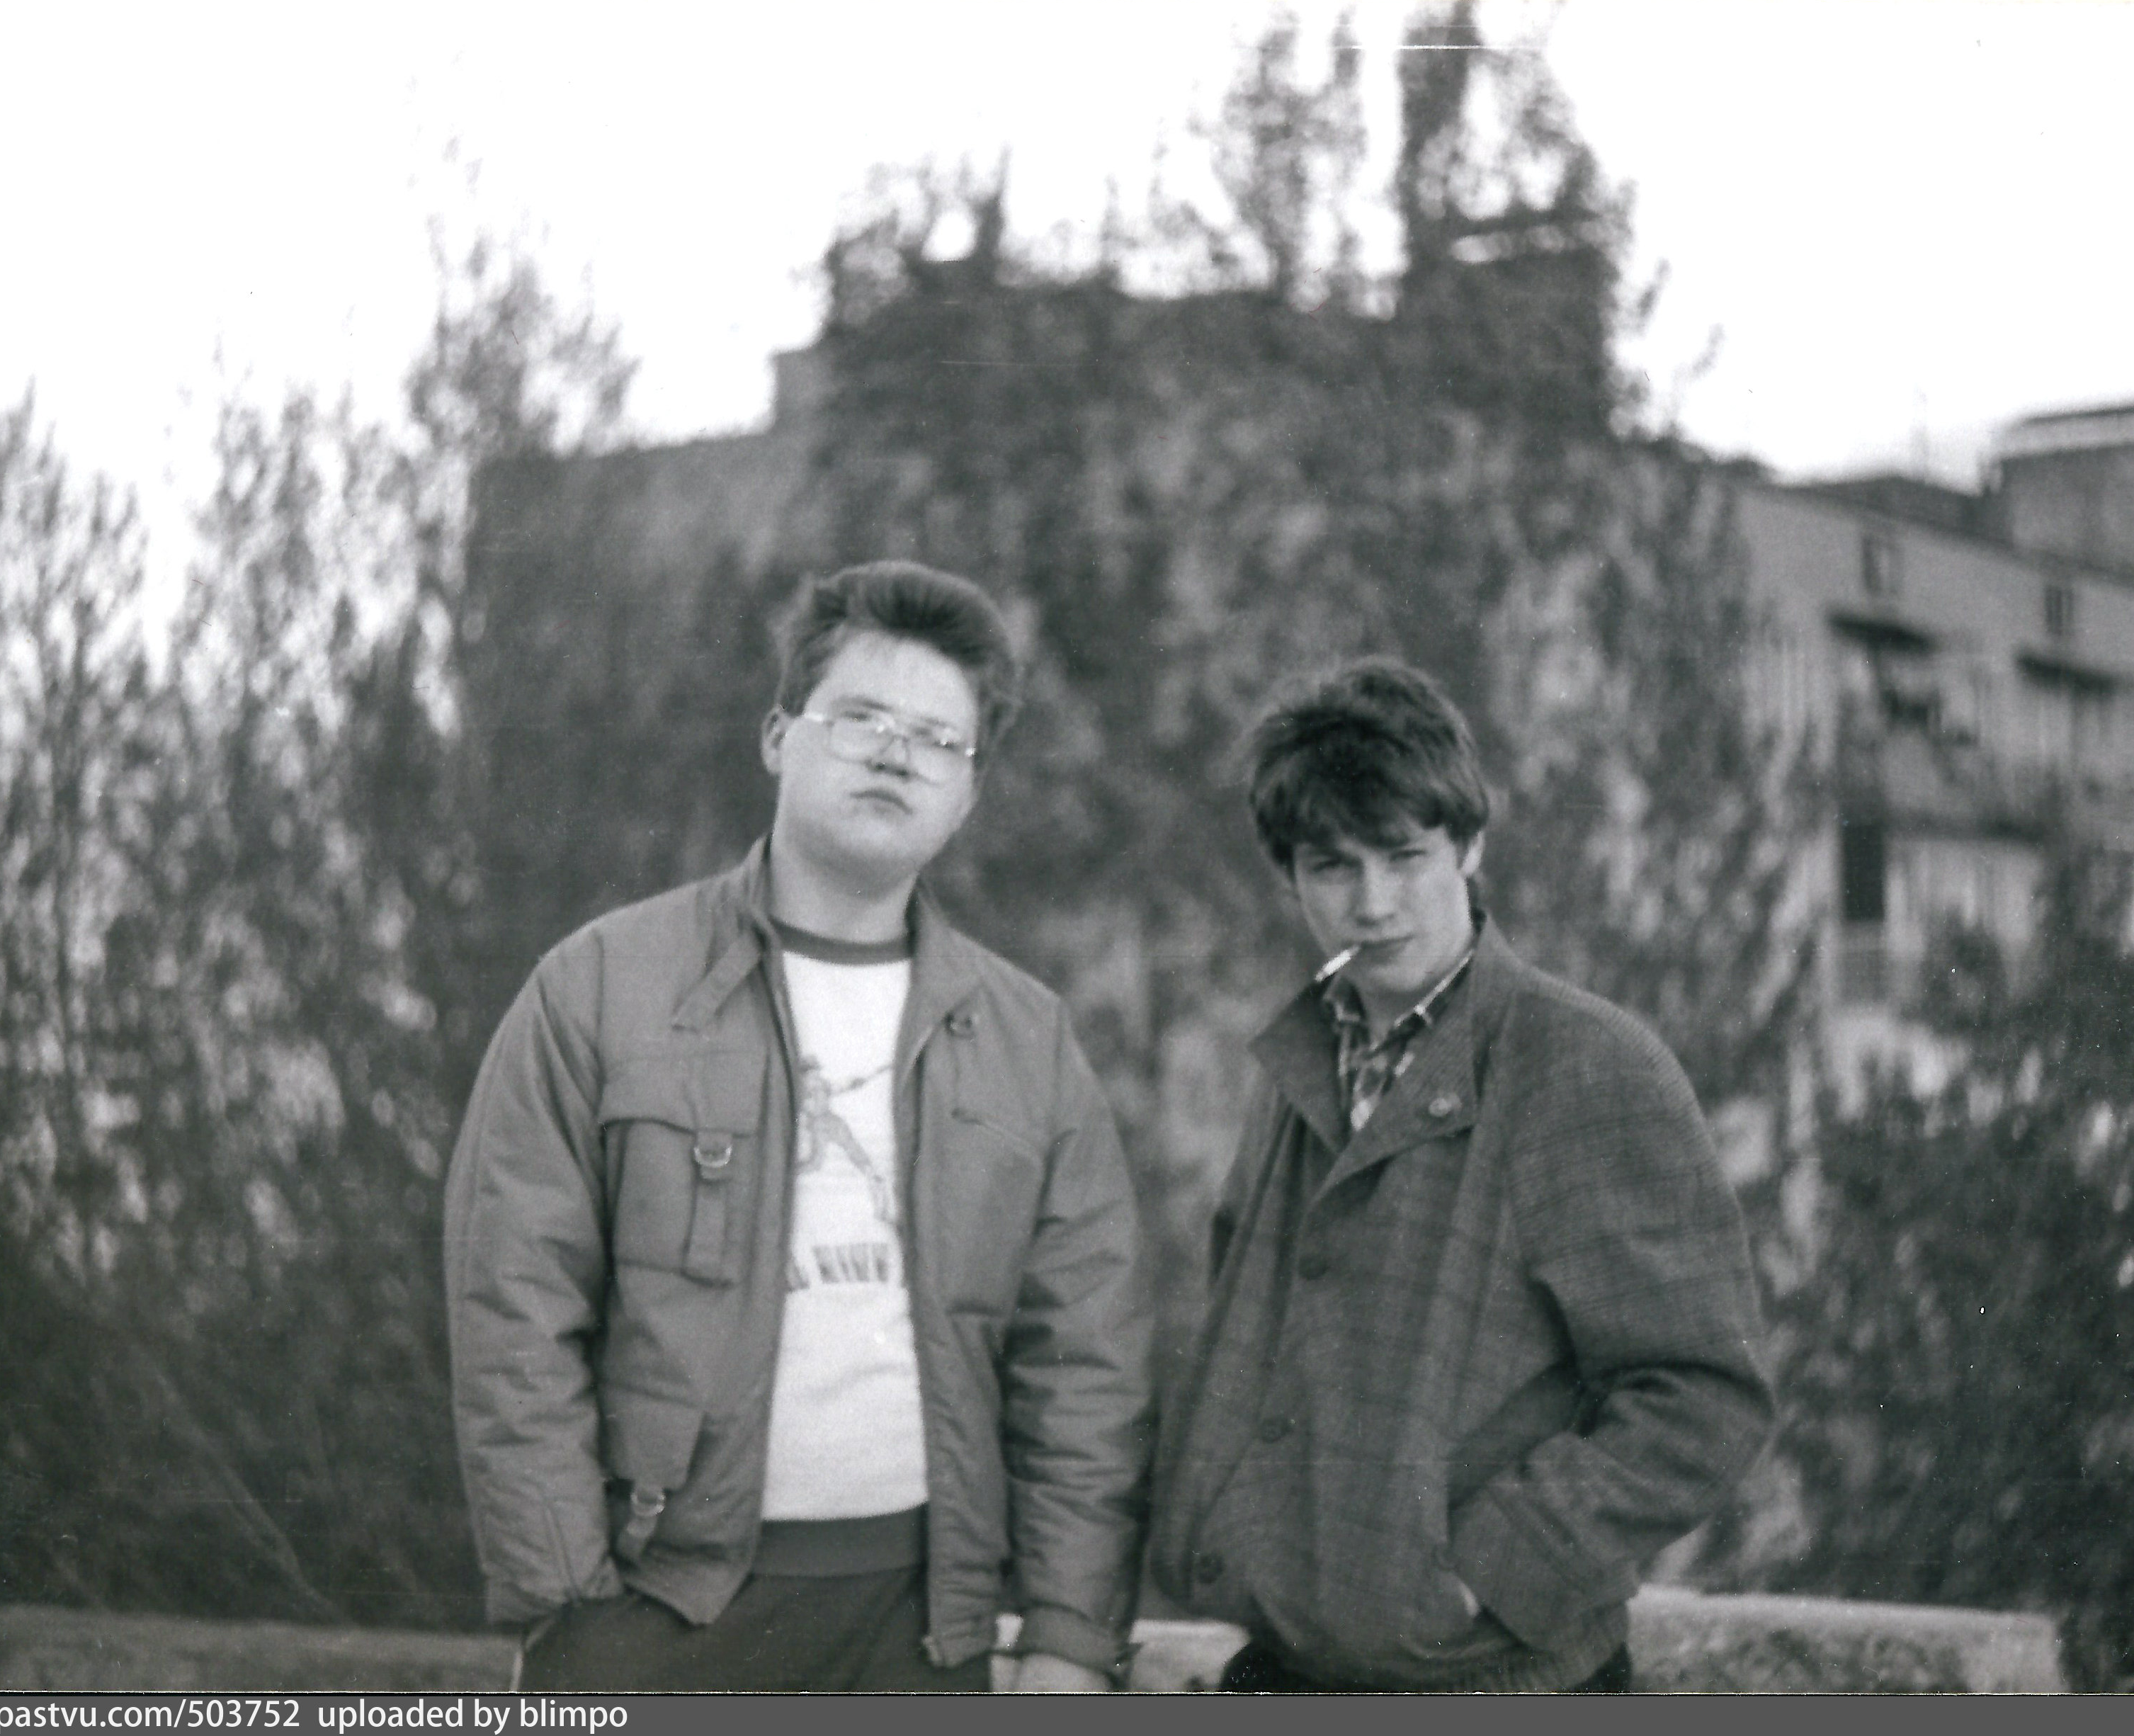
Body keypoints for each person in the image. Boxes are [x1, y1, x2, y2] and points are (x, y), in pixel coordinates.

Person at [444, 562, 1152, 1693]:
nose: (896, 755)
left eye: (939, 740)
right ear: (779, 737)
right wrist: (569, 1609)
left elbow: (1086, 1362)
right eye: (861, 717)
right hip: (653, 1614)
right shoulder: (601, 989)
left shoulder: (1028, 1040)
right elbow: (513, 1313)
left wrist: (1069, 1636)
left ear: (969, 791)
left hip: (924, 1632)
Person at [1148, 657, 1775, 1692]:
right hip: (1291, 1662)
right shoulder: (1298, 1061)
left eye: (1406, 856)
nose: (1373, 904)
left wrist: (1487, 1575)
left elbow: (1704, 1397)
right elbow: (1245, 1339)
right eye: (1332, 867)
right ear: (1290, 876)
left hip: (1500, 1677)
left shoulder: (1586, 1065)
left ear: (1471, 845)